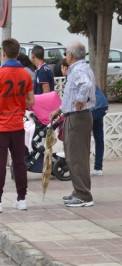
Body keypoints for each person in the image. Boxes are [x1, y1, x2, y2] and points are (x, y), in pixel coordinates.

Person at [0, 38, 34, 213]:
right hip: (18, 125)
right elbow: (31, 100)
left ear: (3, 53)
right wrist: (17, 108)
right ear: (18, 53)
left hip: (1, 127)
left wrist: (1, 108)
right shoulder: (26, 74)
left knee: (0, 164)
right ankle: (22, 199)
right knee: (19, 163)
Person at [50, 41, 96, 207]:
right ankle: (79, 191)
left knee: (77, 157)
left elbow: (85, 85)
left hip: (78, 117)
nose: (65, 56)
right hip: (75, 116)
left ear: (70, 55)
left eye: (66, 53)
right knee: (74, 156)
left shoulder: (78, 70)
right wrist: (60, 110)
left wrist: (80, 100)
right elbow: (71, 95)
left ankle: (84, 195)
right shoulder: (80, 69)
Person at [91, 87, 109, 176]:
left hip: (95, 108)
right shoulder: (88, 75)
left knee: (82, 138)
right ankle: (98, 168)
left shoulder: (76, 77)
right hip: (102, 106)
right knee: (99, 138)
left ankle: (82, 168)